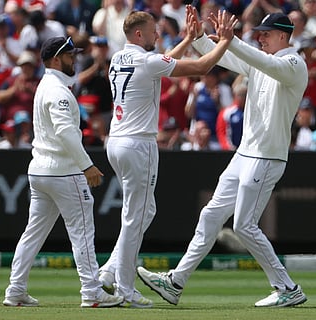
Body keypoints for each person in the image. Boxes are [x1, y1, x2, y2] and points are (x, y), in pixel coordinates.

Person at [137, 11, 308, 308]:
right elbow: (223, 57)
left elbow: (261, 61)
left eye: (266, 33)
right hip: (244, 154)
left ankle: (287, 287)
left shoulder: (294, 64)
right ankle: (175, 282)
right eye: (260, 33)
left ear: (283, 35)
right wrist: (201, 37)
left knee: (244, 226)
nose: (261, 37)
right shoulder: (259, 62)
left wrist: (232, 40)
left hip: (267, 156)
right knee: (211, 215)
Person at [98, 8, 237, 308]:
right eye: (152, 31)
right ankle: (126, 289)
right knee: (135, 217)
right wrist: (225, 41)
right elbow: (201, 67)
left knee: (144, 212)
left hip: (116, 143)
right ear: (138, 34)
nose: (158, 35)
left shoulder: (119, 58)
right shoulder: (147, 61)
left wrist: (188, 39)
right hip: (138, 145)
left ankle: (108, 272)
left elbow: (161, 65)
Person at [3, 36, 124, 308]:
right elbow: (66, 133)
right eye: (70, 55)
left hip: (41, 172)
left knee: (33, 233)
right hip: (63, 172)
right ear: (55, 59)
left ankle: (15, 289)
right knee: (82, 231)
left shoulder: (48, 86)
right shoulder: (58, 91)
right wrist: (87, 166)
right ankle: (92, 292)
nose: (75, 59)